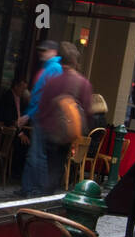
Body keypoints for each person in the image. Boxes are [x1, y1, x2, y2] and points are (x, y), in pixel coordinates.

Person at [35, 41, 93, 193]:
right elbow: (87, 110)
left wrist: (44, 124)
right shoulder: (83, 83)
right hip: (68, 132)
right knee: (58, 166)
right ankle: (47, 196)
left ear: (60, 59)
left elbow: (42, 106)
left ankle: (43, 193)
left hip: (49, 130)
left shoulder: (53, 82)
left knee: (50, 164)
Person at [15, 40, 63, 196]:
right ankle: (28, 188)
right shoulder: (51, 68)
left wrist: (29, 114)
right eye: (41, 51)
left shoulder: (53, 68)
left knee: (37, 154)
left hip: (43, 116)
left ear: (53, 51)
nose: (42, 53)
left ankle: (35, 190)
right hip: (42, 116)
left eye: (45, 50)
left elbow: (43, 96)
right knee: (35, 154)